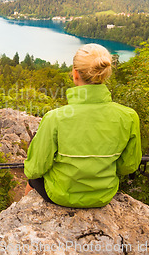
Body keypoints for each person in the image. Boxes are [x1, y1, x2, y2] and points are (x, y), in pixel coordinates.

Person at [24, 43, 141, 208]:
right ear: (105, 73)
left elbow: (34, 170)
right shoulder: (129, 117)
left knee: (33, 178)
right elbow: (127, 166)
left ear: (75, 74)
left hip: (61, 195)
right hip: (103, 195)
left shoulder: (55, 118)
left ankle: (26, 212)